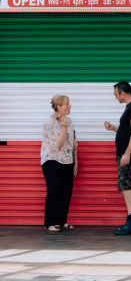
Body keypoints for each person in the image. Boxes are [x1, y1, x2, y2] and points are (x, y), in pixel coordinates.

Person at [104, 81, 131, 235]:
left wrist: (127, 153)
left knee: (124, 185)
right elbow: (128, 131)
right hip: (128, 152)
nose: (115, 97)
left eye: (116, 94)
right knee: (130, 183)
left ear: (123, 93)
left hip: (128, 153)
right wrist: (114, 129)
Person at [41, 95, 78, 232]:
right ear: (58, 106)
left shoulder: (69, 120)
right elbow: (57, 146)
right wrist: (63, 128)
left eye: (69, 103)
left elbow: (73, 143)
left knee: (66, 191)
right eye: (66, 104)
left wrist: (76, 163)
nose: (69, 106)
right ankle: (49, 222)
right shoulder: (48, 123)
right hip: (52, 160)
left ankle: (61, 221)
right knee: (54, 191)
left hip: (67, 160)